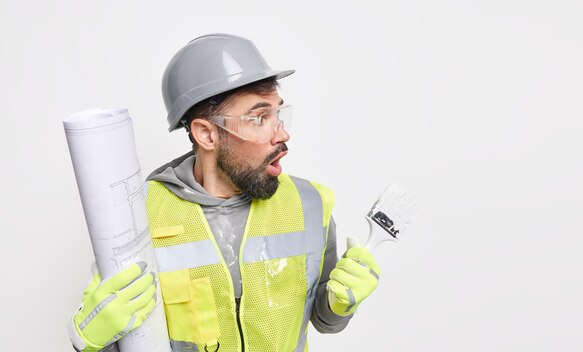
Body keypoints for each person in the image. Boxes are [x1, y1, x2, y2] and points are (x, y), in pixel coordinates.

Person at [67, 33, 381, 352]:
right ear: (206, 134)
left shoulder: (311, 203)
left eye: (278, 114)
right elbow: (131, 336)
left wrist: (341, 305)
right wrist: (92, 341)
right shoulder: (140, 214)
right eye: (259, 118)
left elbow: (323, 320)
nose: (283, 134)